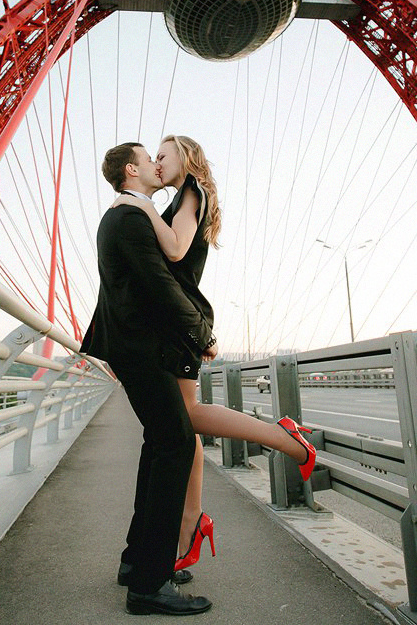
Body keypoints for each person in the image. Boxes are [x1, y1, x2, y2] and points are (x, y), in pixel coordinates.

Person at [112, 135, 316, 574]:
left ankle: (283, 438)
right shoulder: (183, 197)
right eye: (153, 158)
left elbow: (175, 249)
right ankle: (191, 523)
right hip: (175, 321)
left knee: (184, 420)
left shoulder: (191, 191)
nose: (157, 163)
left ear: (185, 158)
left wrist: (141, 207)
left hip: (182, 320)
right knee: (183, 423)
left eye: (162, 155)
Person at [80, 142, 215, 616]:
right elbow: (159, 284)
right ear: (131, 170)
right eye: (148, 158)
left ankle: (137, 562)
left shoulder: (126, 215)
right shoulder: (131, 218)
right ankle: (149, 584)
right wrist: (200, 333)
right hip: (139, 348)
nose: (157, 165)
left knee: (160, 444)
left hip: (133, 346)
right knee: (175, 443)